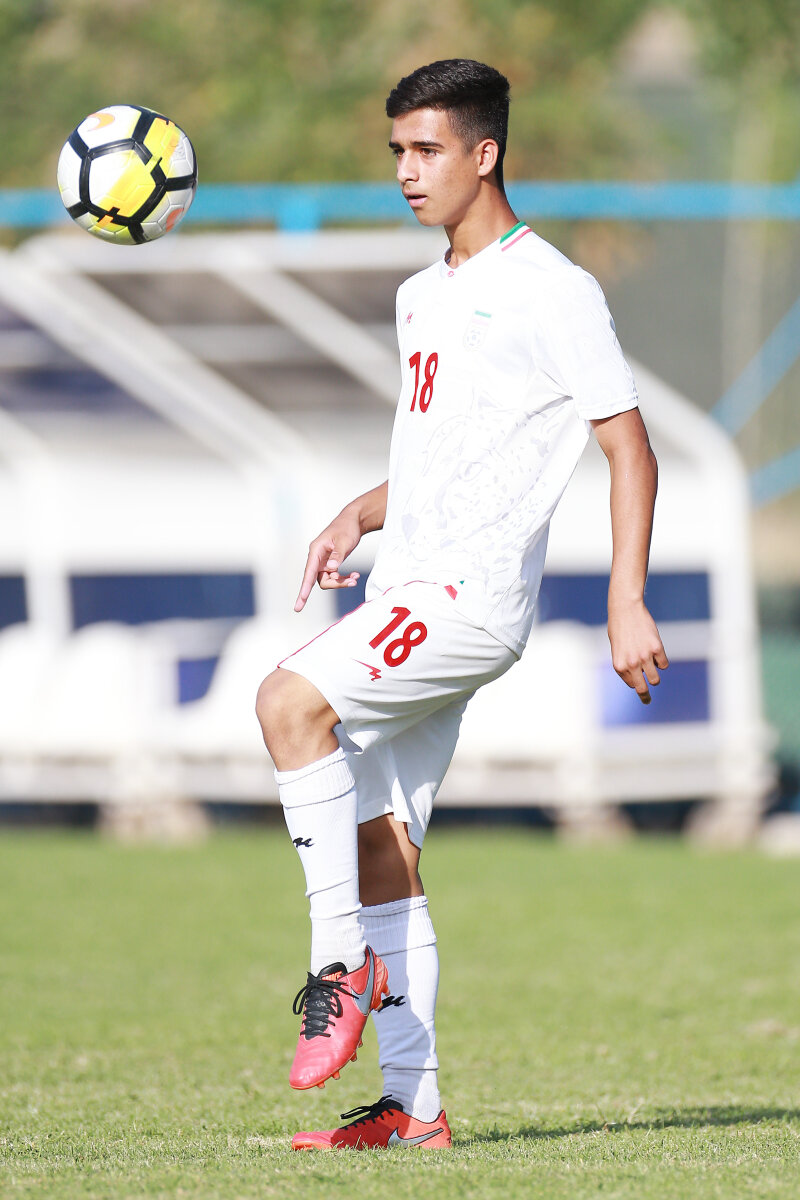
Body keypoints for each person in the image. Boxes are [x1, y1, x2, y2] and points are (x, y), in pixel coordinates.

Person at [256, 57, 668, 1152]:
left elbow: (629, 448)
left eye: (427, 150)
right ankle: (415, 1109)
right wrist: (360, 511)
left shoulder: (555, 291)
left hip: (468, 599)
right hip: (409, 579)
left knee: (288, 704)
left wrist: (627, 598)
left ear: (484, 153)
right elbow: (447, 457)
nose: (406, 171)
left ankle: (339, 964)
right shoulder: (420, 295)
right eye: (397, 150)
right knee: (380, 841)